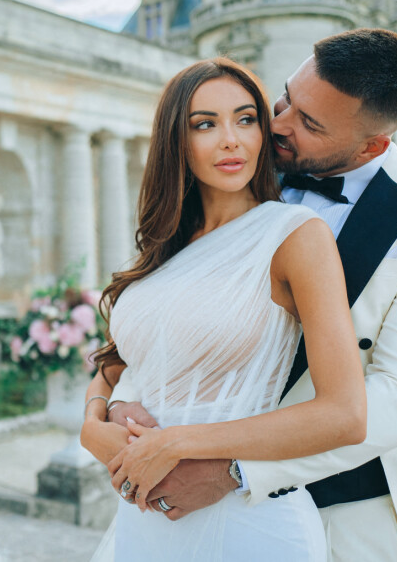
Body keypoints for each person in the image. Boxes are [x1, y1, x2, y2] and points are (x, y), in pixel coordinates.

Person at [107, 29, 397, 562]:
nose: (278, 124)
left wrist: (237, 471)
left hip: (347, 511)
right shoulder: (230, 174)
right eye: (286, 97)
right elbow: (164, 308)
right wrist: (120, 402)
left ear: (372, 146)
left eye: (310, 123)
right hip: (179, 499)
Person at [81, 57, 368, 561]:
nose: (231, 139)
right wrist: (91, 424)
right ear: (177, 141)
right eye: (205, 124)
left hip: (248, 522)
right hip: (143, 521)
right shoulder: (164, 246)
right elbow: (118, 364)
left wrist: (175, 444)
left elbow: (344, 414)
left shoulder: (295, 235)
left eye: (245, 118)